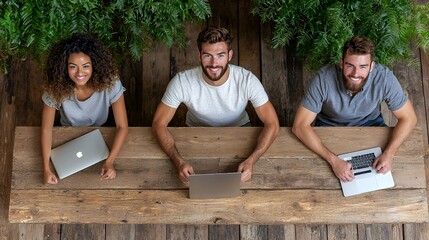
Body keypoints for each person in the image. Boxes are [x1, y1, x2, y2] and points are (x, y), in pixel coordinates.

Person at [152, 27, 280, 184]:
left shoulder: (246, 79)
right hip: (196, 133)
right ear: (199, 56)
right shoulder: (182, 81)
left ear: (229, 56)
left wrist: (252, 160)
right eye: (208, 55)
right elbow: (159, 123)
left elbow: (272, 123)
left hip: (240, 130)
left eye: (220, 55)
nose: (214, 63)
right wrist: (178, 162)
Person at [292, 36, 417, 182]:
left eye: (363, 67)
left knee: (391, 180)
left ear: (371, 66)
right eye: (350, 65)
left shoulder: (384, 78)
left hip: (371, 126)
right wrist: (333, 160)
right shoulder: (323, 79)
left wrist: (389, 153)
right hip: (329, 128)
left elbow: (409, 118)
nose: (356, 74)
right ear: (341, 63)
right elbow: (299, 126)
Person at [41, 33, 128, 184]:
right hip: (66, 137)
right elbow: (46, 130)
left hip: (100, 135)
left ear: (95, 65)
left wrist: (110, 161)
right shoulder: (56, 87)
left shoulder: (111, 83)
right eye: (73, 67)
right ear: (64, 68)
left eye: (86, 66)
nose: (80, 73)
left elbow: (122, 126)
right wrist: (46, 169)